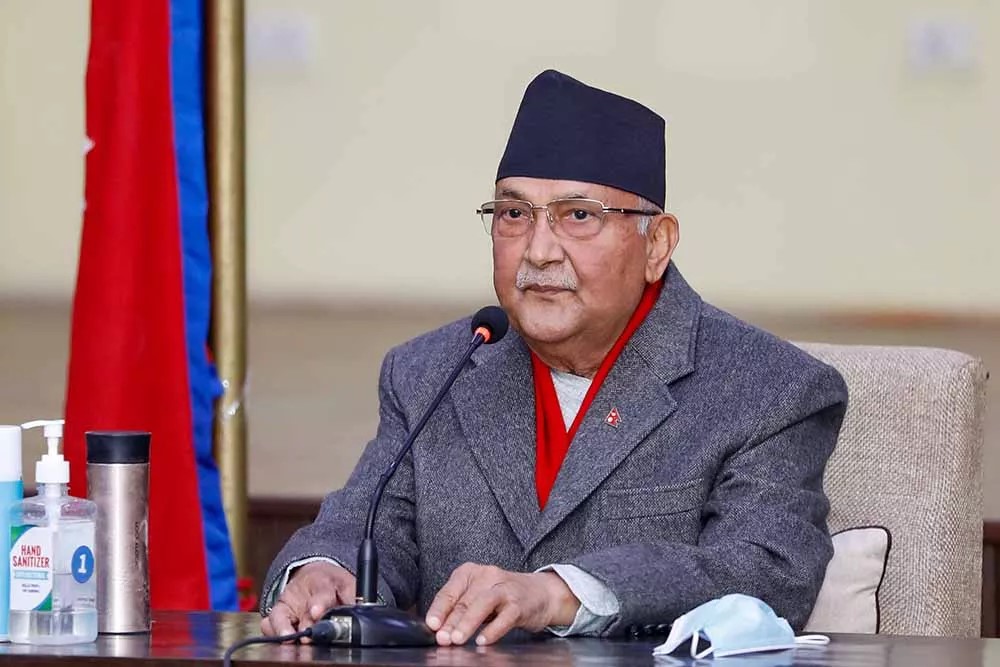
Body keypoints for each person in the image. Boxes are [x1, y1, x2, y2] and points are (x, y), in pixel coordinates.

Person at [259, 69, 848, 646]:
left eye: (579, 216)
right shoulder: (432, 372)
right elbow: (365, 526)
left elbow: (765, 571)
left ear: (657, 244)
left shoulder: (769, 389)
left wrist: (561, 593)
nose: (538, 251)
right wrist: (325, 572)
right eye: (514, 215)